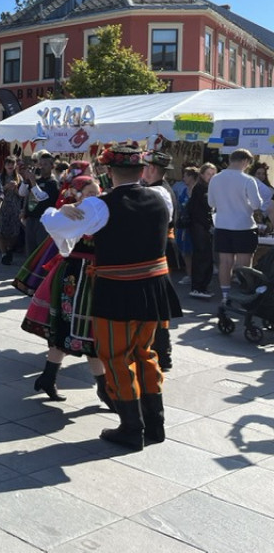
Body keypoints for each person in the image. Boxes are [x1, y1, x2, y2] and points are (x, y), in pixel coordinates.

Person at [44, 144, 181, 451]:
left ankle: (131, 428)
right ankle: (155, 424)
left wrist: (60, 211)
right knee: (145, 352)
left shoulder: (100, 206)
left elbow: (54, 225)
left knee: (117, 356)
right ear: (142, 170)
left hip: (118, 288)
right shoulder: (161, 197)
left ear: (108, 171)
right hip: (153, 288)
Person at [22, 177, 113, 408]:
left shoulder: (101, 209)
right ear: (77, 194)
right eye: (90, 193)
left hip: (92, 275)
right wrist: (64, 208)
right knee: (75, 329)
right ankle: (102, 389)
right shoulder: (76, 213)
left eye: (97, 192)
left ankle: (49, 377)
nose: (95, 197)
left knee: (86, 331)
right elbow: (50, 221)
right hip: (75, 274)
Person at [207, 149, 264, 305]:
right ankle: (245, 295)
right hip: (244, 226)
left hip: (222, 225)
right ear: (245, 161)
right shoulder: (248, 180)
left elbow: (211, 203)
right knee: (244, 264)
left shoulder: (215, 179)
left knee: (225, 262)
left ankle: (225, 296)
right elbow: (256, 204)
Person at [142, 150, 179, 371]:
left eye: (143, 167)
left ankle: (163, 352)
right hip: (160, 247)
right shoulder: (159, 188)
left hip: (159, 249)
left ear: (152, 169)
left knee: (158, 300)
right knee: (157, 300)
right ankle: (160, 350)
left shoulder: (158, 192)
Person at [18, 152, 59, 253]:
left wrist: (32, 181)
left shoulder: (53, 183)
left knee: (41, 251)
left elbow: (42, 197)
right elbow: (22, 193)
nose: (42, 167)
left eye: (45, 164)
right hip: (31, 220)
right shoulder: (37, 181)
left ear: (52, 166)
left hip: (43, 222)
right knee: (30, 250)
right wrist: (26, 180)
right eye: (41, 164)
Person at [187, 163, 217, 299]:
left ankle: (201, 287)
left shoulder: (208, 188)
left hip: (204, 226)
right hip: (199, 226)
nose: (211, 176)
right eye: (208, 174)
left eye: (213, 174)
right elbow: (204, 206)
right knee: (202, 257)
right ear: (202, 175)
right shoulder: (200, 188)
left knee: (206, 257)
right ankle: (198, 287)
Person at [0, 156, 23, 265]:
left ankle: (9, 249)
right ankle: (4, 254)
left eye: (12, 163)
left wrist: (16, 189)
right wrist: (6, 187)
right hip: (3, 207)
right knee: (1, 231)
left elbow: (22, 195)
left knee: (14, 232)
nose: (10, 166)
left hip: (15, 208)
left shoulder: (19, 178)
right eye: (8, 163)